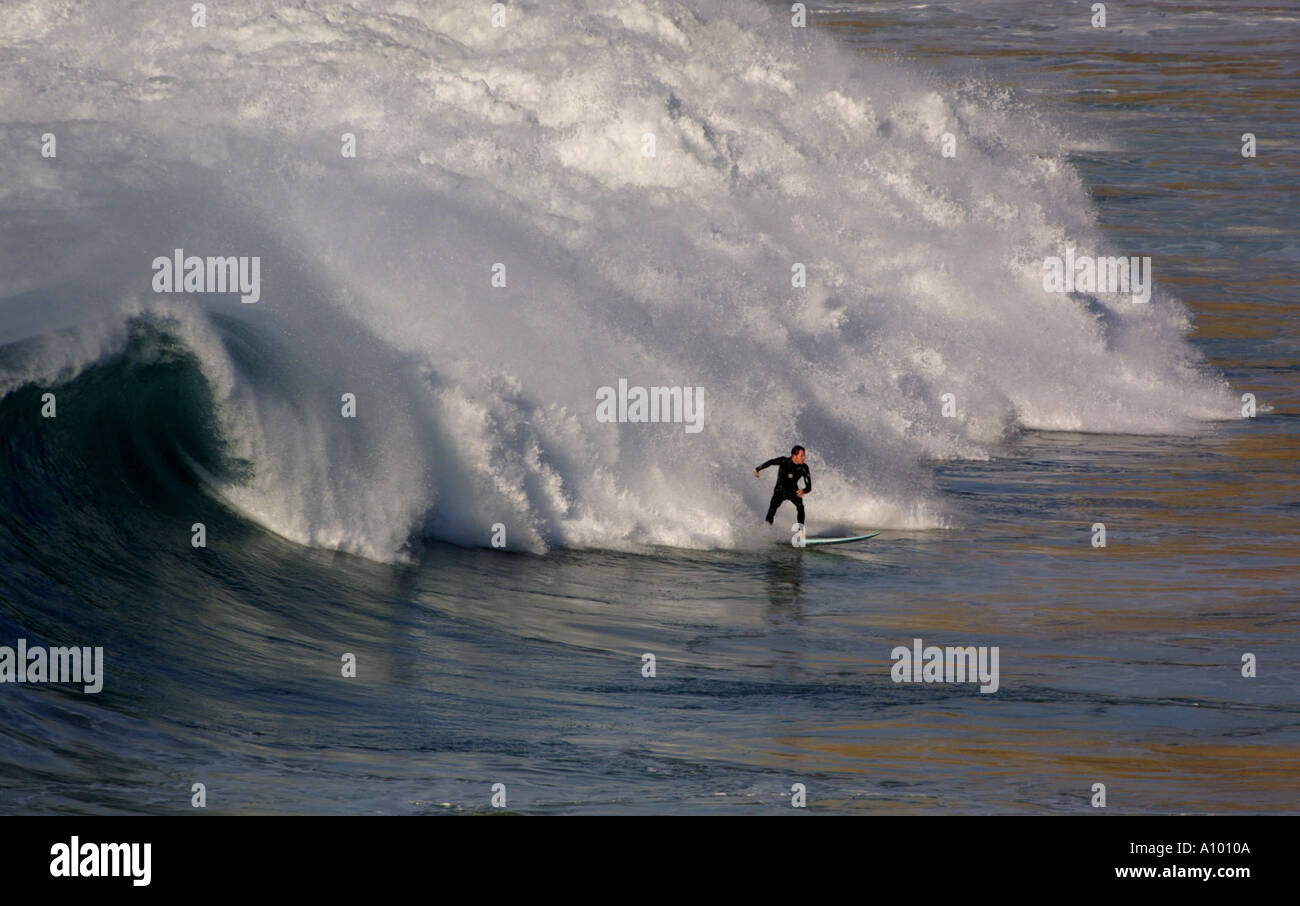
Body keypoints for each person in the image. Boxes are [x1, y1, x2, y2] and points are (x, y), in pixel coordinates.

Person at [754, 445, 811, 525]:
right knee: (772, 510)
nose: (804, 458)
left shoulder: (804, 468)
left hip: (793, 491)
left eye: (804, 455)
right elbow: (771, 462)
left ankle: (800, 531)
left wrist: (803, 491)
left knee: (800, 507)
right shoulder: (784, 461)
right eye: (802, 456)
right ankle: (767, 529)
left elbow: (809, 487)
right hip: (780, 490)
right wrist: (757, 469)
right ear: (794, 455)